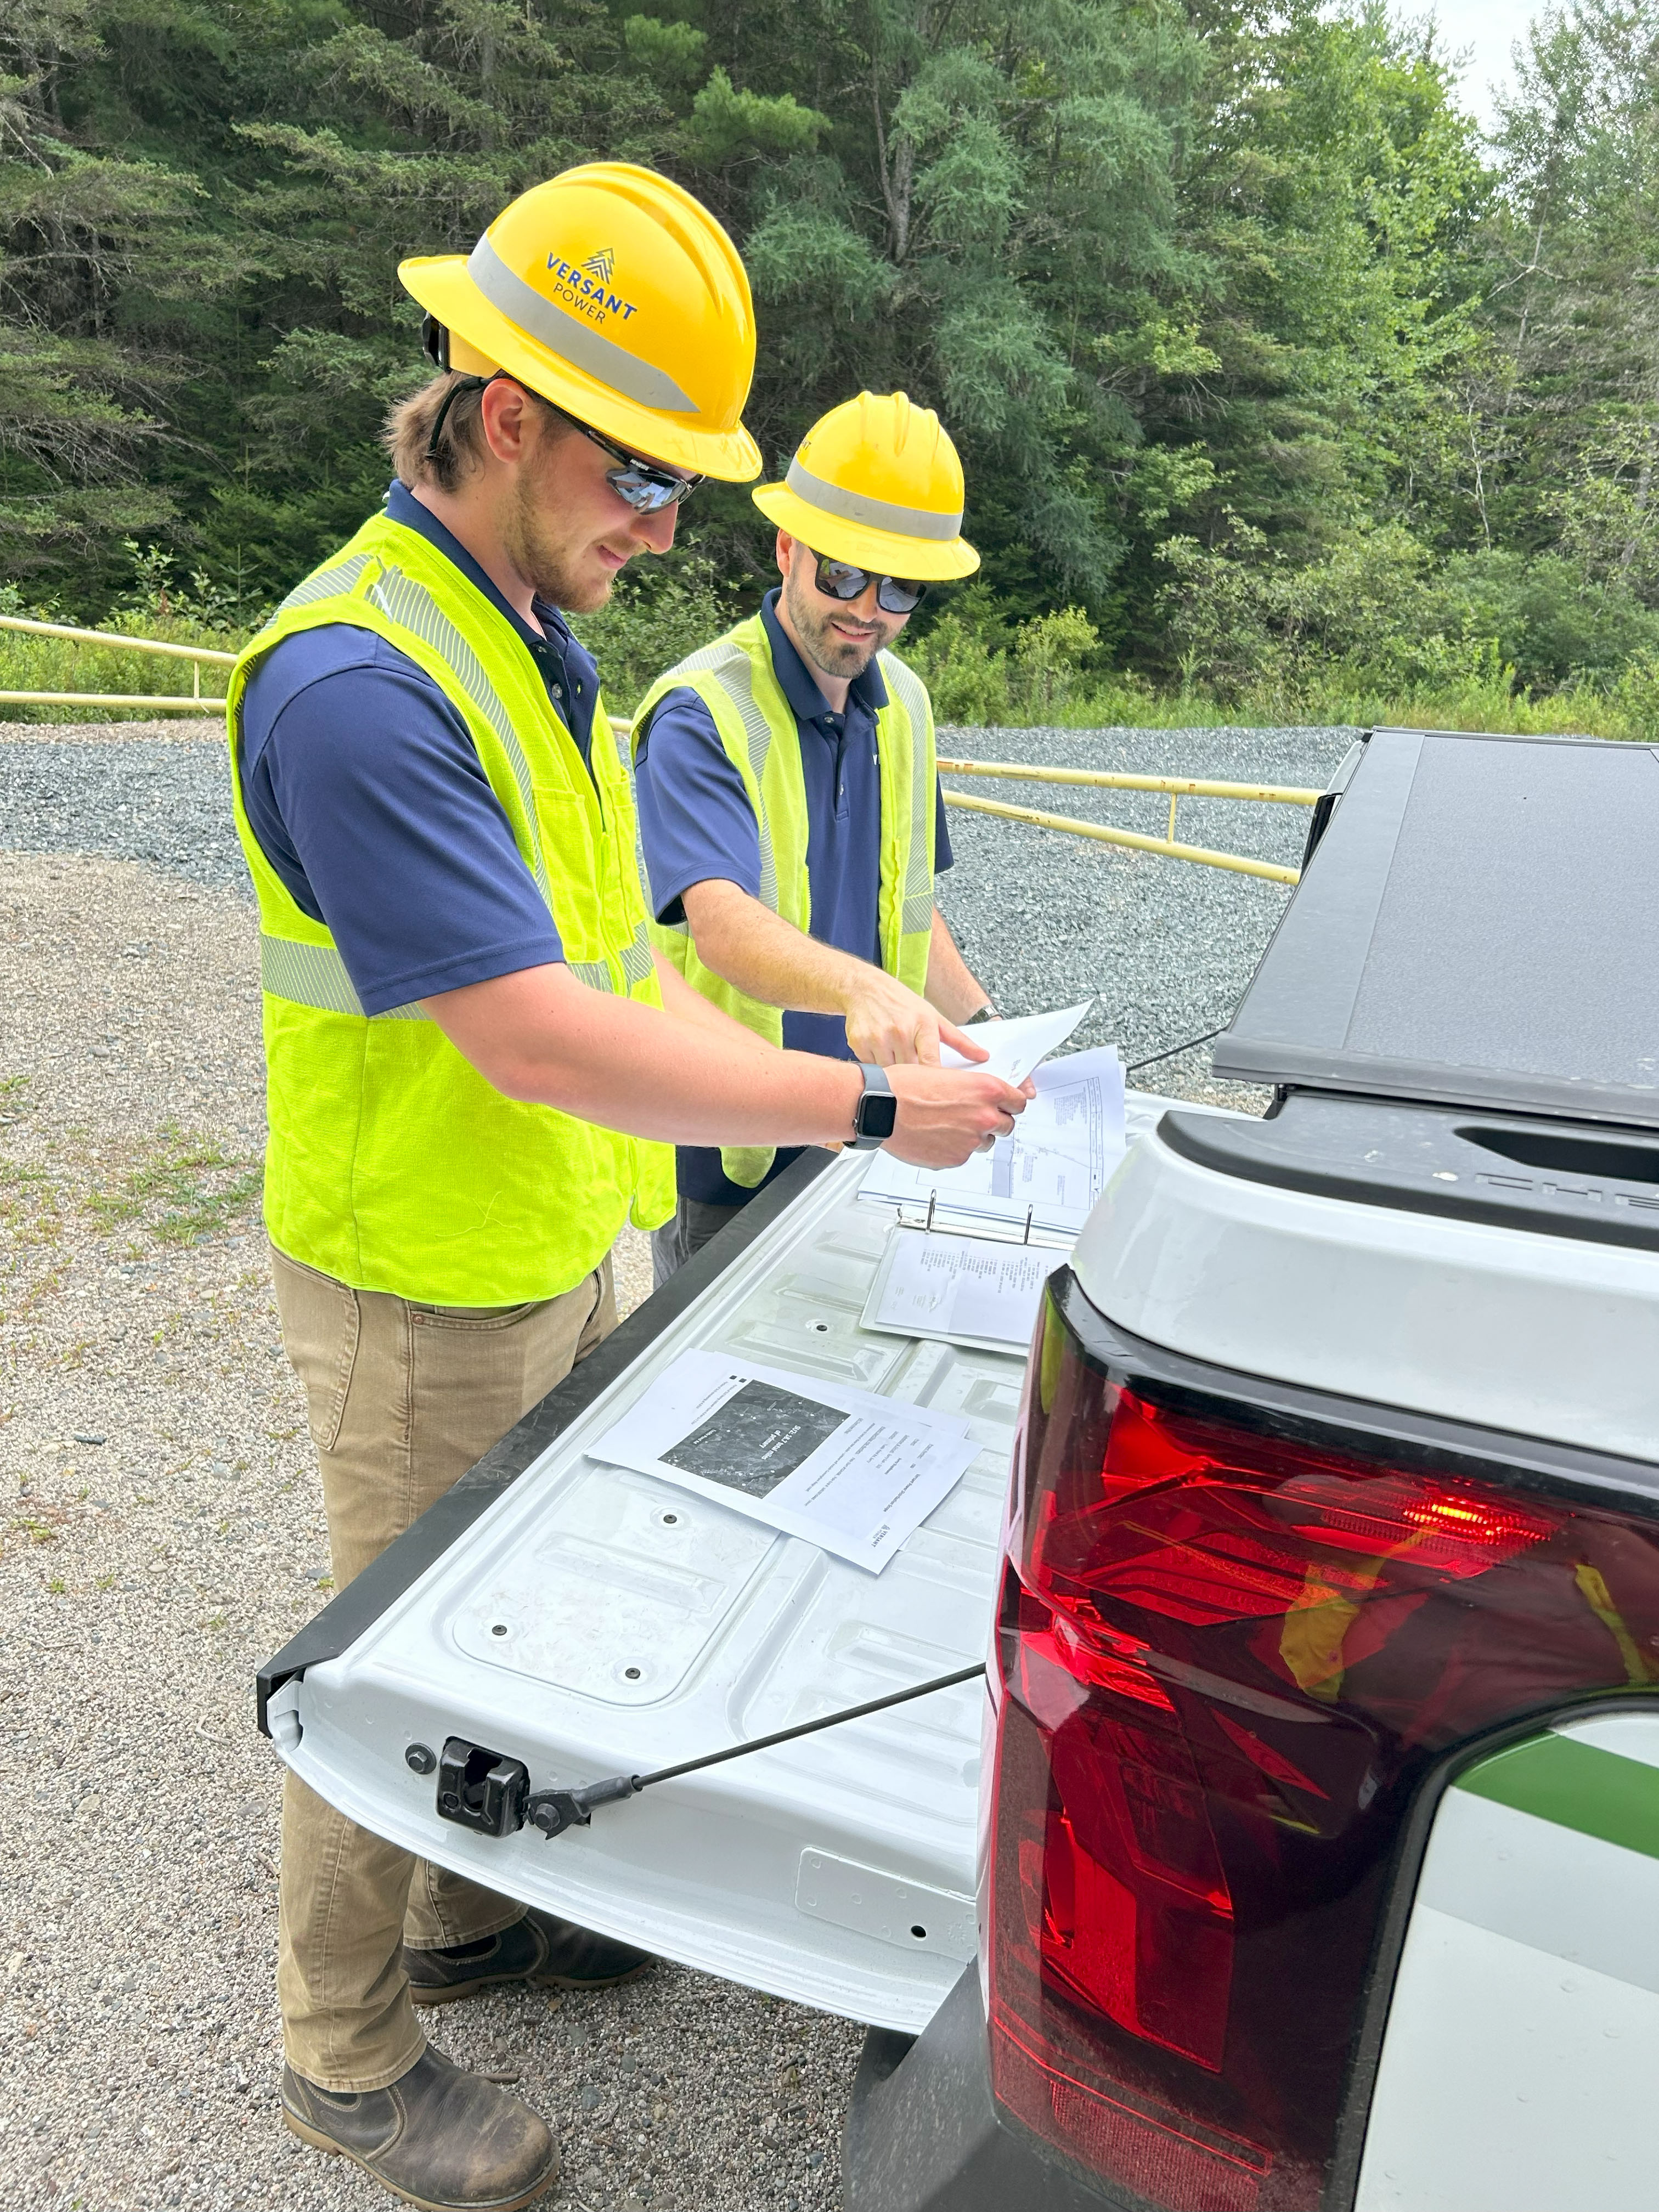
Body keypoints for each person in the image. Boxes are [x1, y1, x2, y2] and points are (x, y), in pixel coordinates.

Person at [227, 165, 1030, 2212]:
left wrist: (869, 1027)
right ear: (508, 416)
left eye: (683, 491)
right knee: (386, 1652)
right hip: (419, 1265)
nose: (659, 528)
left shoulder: (524, 629)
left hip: (552, 1231)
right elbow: (534, 1028)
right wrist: (861, 1107)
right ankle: (345, 2047)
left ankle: (464, 1917)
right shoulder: (359, 683)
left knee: (514, 1609)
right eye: (643, 481)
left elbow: (622, 958)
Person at [630, 391, 1001, 1285]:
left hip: (877, 1131)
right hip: (735, 1149)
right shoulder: (702, 712)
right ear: (788, 549)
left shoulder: (902, 701)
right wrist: (862, 991)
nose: (869, 609)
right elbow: (719, 925)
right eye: (844, 575)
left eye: (902, 587)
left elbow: (912, 908)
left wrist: (989, 1034)